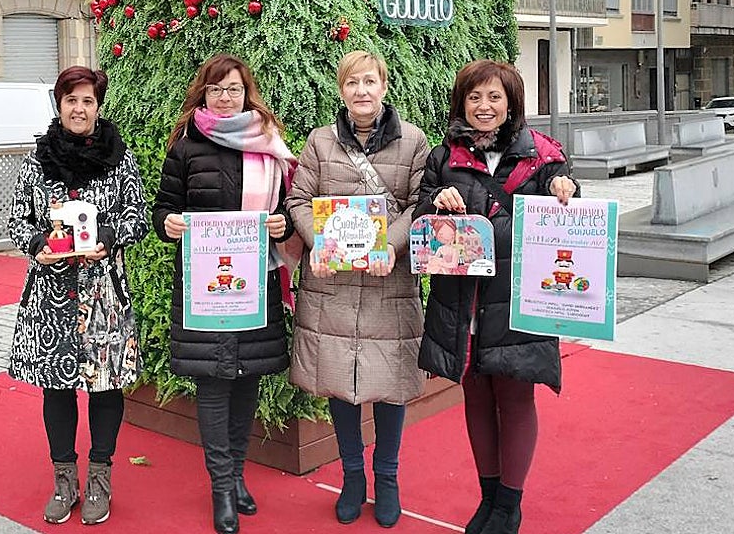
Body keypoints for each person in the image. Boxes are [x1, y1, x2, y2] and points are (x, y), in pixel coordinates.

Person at [414, 59, 578, 534]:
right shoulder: (444, 156)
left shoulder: (541, 154)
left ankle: (510, 504)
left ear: (511, 104)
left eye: (494, 98)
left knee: (515, 392)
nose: (484, 107)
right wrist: (437, 201)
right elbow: (423, 210)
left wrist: (565, 186)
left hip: (517, 300)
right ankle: (488, 498)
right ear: (461, 103)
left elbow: (562, 192)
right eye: (474, 98)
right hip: (462, 299)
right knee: (476, 395)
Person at [152, 54, 298, 534]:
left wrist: (281, 224)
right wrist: (169, 224)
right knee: (214, 385)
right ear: (204, 93)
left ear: (246, 92)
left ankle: (237, 474)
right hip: (206, 291)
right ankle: (221, 487)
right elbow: (163, 211)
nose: (225, 96)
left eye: (233, 88)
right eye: (216, 89)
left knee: (247, 381)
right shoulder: (186, 147)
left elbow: (287, 212)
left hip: (255, 286)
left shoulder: (267, 145)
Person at [286, 51, 430, 528]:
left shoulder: (413, 142)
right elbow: (299, 199)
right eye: (352, 83)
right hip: (333, 286)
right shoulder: (319, 142)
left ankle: (386, 478)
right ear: (341, 90)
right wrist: (318, 241)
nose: (361, 91)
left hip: (390, 281)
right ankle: (352, 477)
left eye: (370, 82)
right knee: (338, 382)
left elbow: (421, 202)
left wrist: (391, 242)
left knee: (391, 386)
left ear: (384, 87)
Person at [7, 66, 149, 527]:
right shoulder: (37, 160)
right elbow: (17, 221)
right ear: (59, 104)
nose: (79, 109)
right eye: (71, 100)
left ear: (98, 106)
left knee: (106, 385)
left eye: (87, 101)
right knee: (57, 387)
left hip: (105, 293)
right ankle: (64, 478)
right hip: (51, 296)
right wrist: (38, 246)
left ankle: (101, 477)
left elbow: (139, 218)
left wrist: (109, 235)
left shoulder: (119, 159)